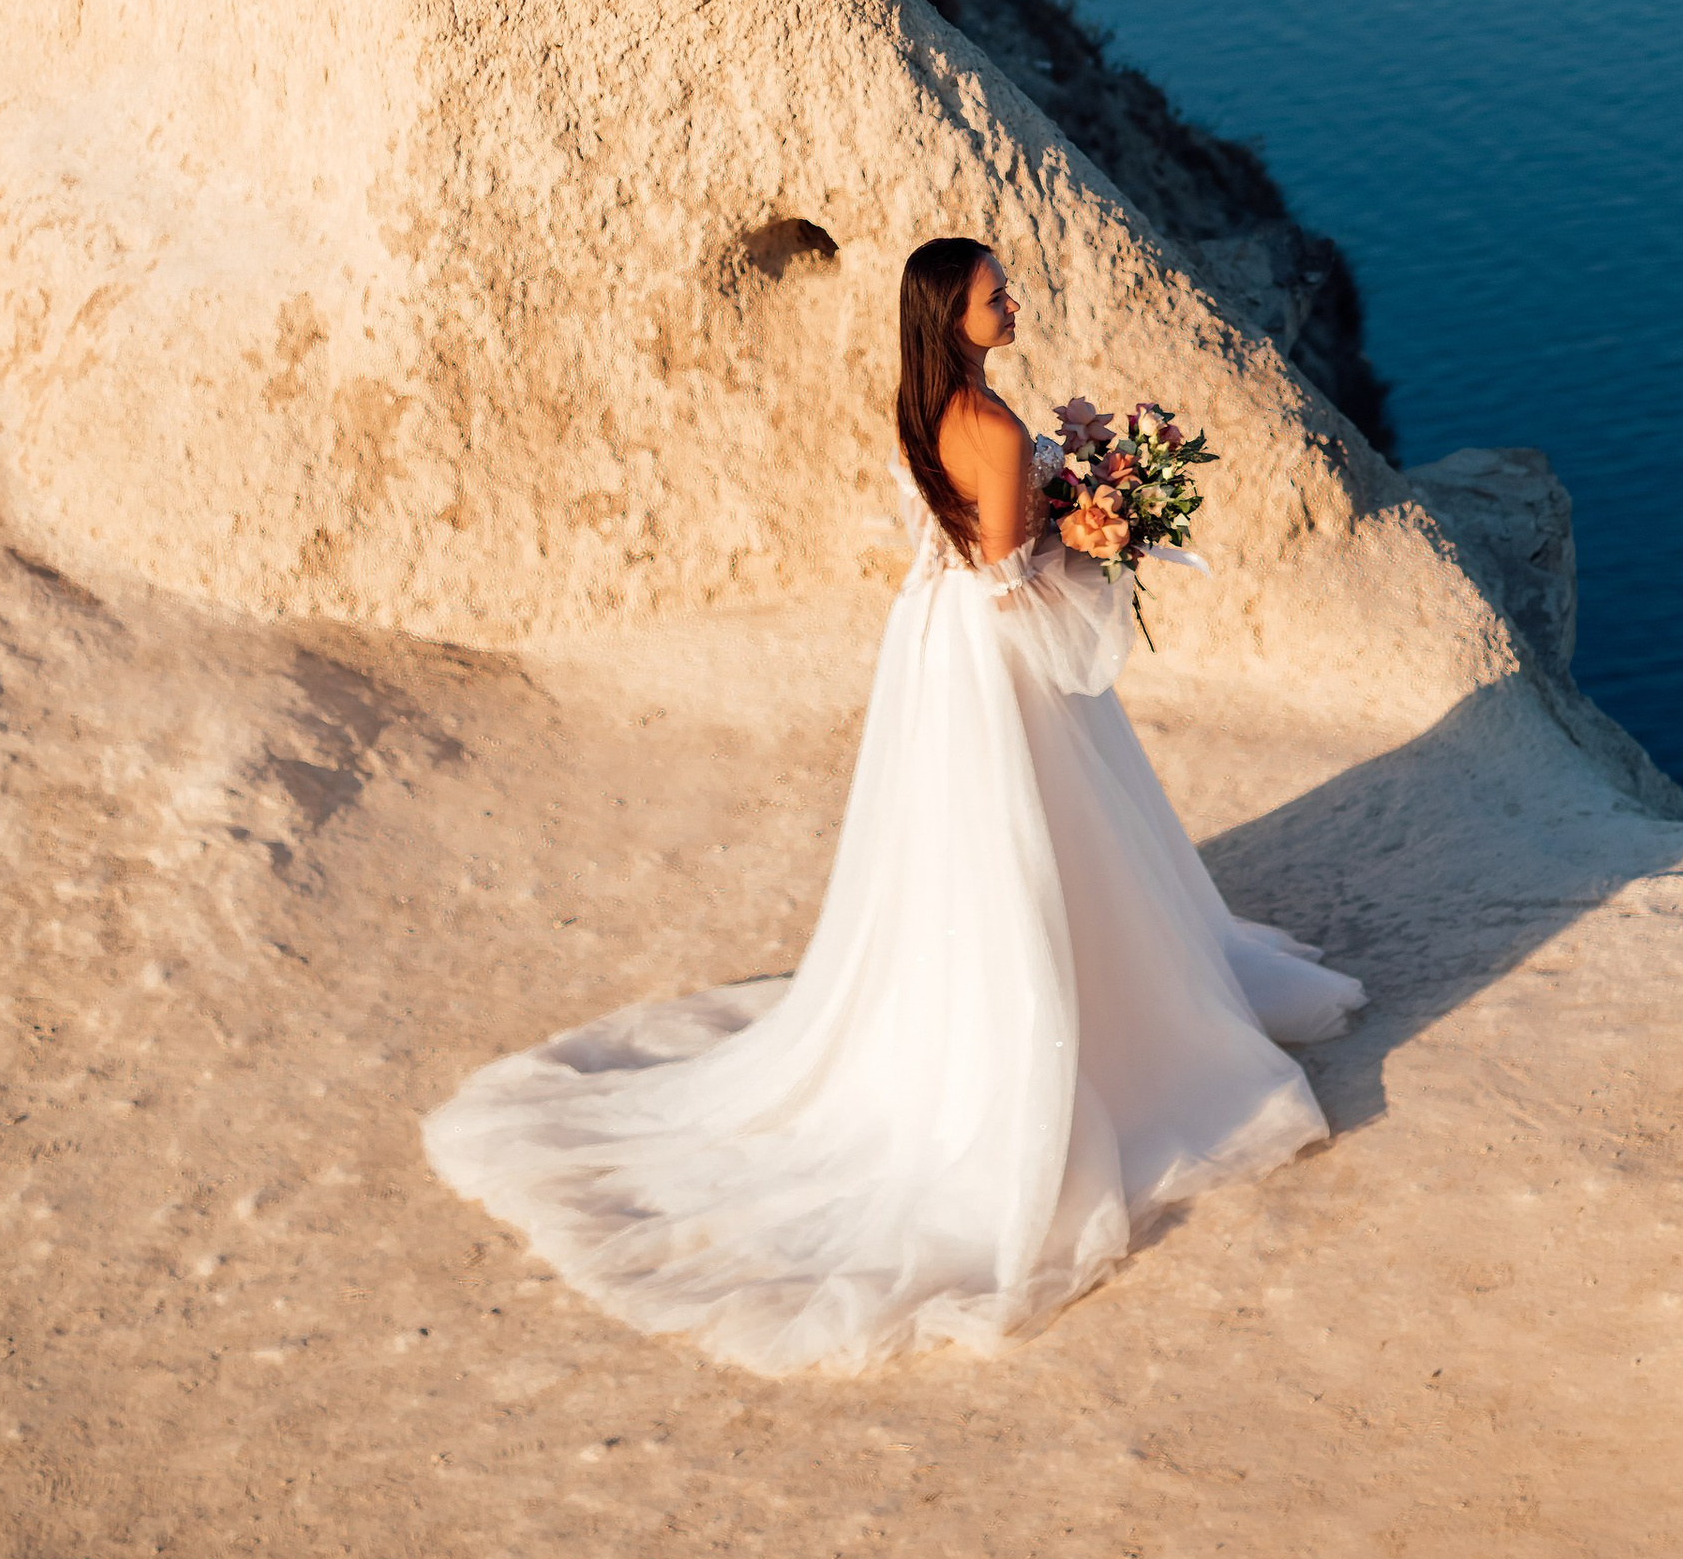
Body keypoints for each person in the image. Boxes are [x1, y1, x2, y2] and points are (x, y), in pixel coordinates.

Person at [422, 234, 1364, 1374]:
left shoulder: (923, 406)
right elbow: (1015, 578)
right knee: (1030, 839)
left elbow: (959, 539)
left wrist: (1075, 505)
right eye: (991, 297)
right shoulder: (999, 426)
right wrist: (1106, 534)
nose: (1011, 307)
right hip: (990, 648)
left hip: (929, 647)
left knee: (959, 851)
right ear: (950, 315)